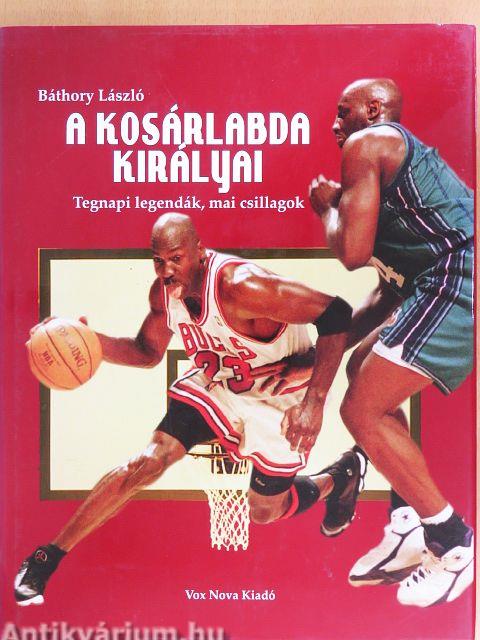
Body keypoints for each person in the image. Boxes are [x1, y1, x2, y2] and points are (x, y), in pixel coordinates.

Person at [15, 212, 367, 607]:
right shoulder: (164, 293)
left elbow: (336, 313)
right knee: (147, 462)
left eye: (176, 258)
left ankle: (339, 476)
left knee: (265, 512)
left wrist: (314, 400)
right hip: (220, 384)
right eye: (158, 260)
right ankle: (47, 558)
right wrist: (86, 340)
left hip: (278, 396)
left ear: (199, 252)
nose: (166, 270)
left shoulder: (244, 287)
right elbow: (147, 352)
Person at [300, 78, 473, 607]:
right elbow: (383, 294)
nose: (335, 125)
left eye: (343, 111)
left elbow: (351, 254)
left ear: (373, 109)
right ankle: (407, 526)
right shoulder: (395, 190)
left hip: (462, 278)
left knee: (361, 409)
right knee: (361, 369)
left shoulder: (369, 142)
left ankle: (454, 543)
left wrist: (326, 208)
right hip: (440, 281)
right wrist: (317, 357)